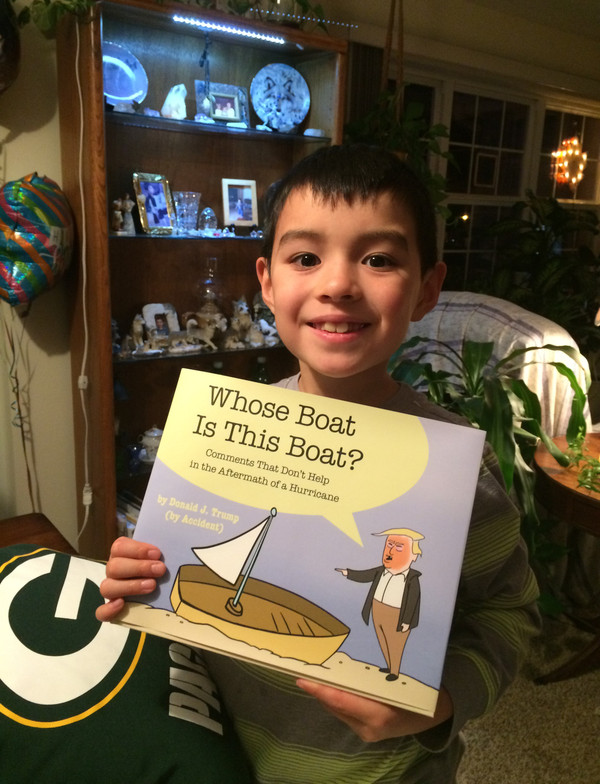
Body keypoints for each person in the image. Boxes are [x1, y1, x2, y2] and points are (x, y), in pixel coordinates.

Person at [97, 143, 540, 784]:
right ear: (268, 283)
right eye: (306, 258)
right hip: (218, 758)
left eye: (379, 259)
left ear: (427, 289)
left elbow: (510, 613)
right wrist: (140, 574)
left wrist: (438, 704)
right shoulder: (220, 435)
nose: (337, 284)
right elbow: (179, 595)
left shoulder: (455, 470)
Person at [337, 528, 424, 682]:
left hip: (397, 615)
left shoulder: (412, 579)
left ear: (414, 555)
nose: (391, 551)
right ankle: (390, 666)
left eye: (399, 547)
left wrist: (407, 621)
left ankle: (395, 671)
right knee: (383, 640)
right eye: (389, 544)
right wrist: (348, 573)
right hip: (378, 609)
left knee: (395, 644)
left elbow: (413, 601)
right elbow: (365, 575)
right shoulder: (381, 571)